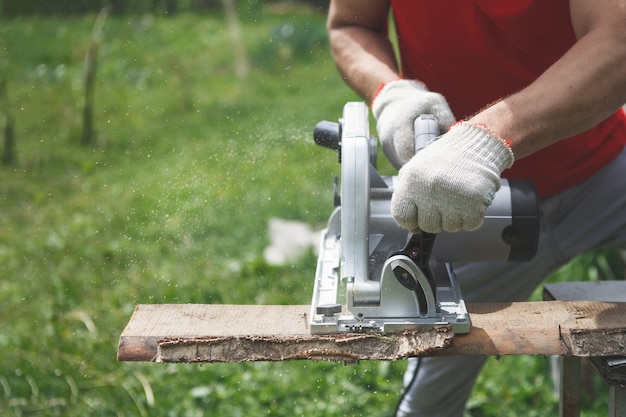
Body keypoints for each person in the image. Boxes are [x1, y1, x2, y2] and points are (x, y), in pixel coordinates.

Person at [326, 1, 626, 416]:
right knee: (429, 404)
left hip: (605, 171)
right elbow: (350, 26)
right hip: (469, 211)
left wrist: (487, 140)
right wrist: (390, 93)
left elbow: (618, 42)